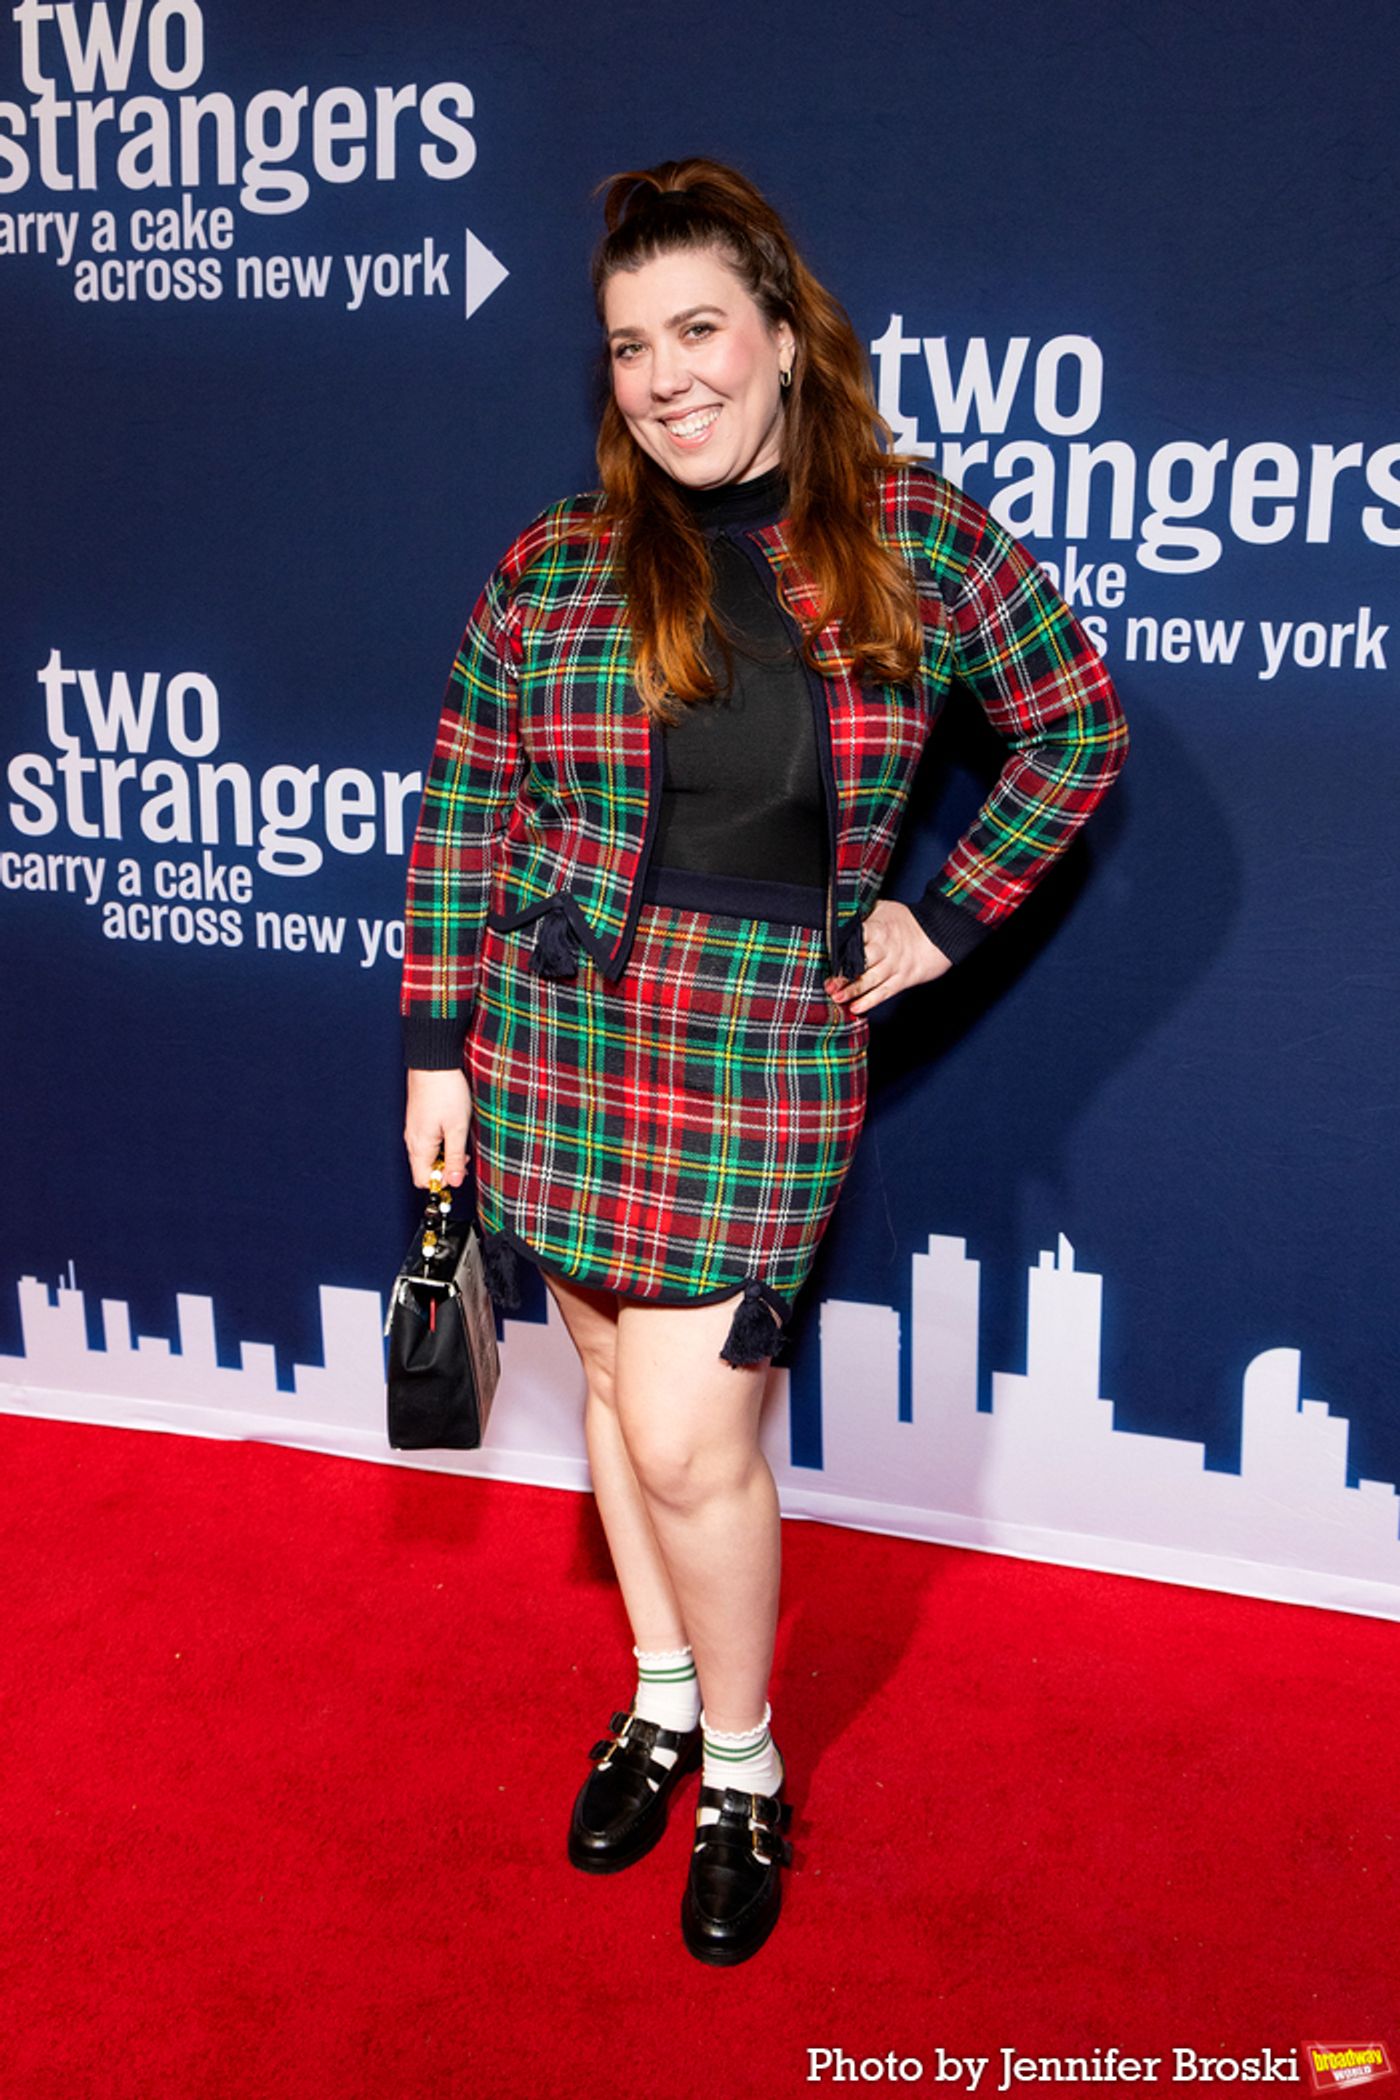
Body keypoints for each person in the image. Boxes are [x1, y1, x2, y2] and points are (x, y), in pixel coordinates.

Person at [400, 158, 1127, 1966]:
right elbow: (468, 804)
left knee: (686, 1430)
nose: (666, 378)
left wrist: (941, 917)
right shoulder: (556, 563)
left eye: (700, 330)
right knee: (600, 1394)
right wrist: (438, 1040)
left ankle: (740, 1762)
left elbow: (1075, 730)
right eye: (632, 346)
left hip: (760, 1051)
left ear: (787, 338)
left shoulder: (919, 540)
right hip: (560, 1033)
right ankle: (655, 1692)